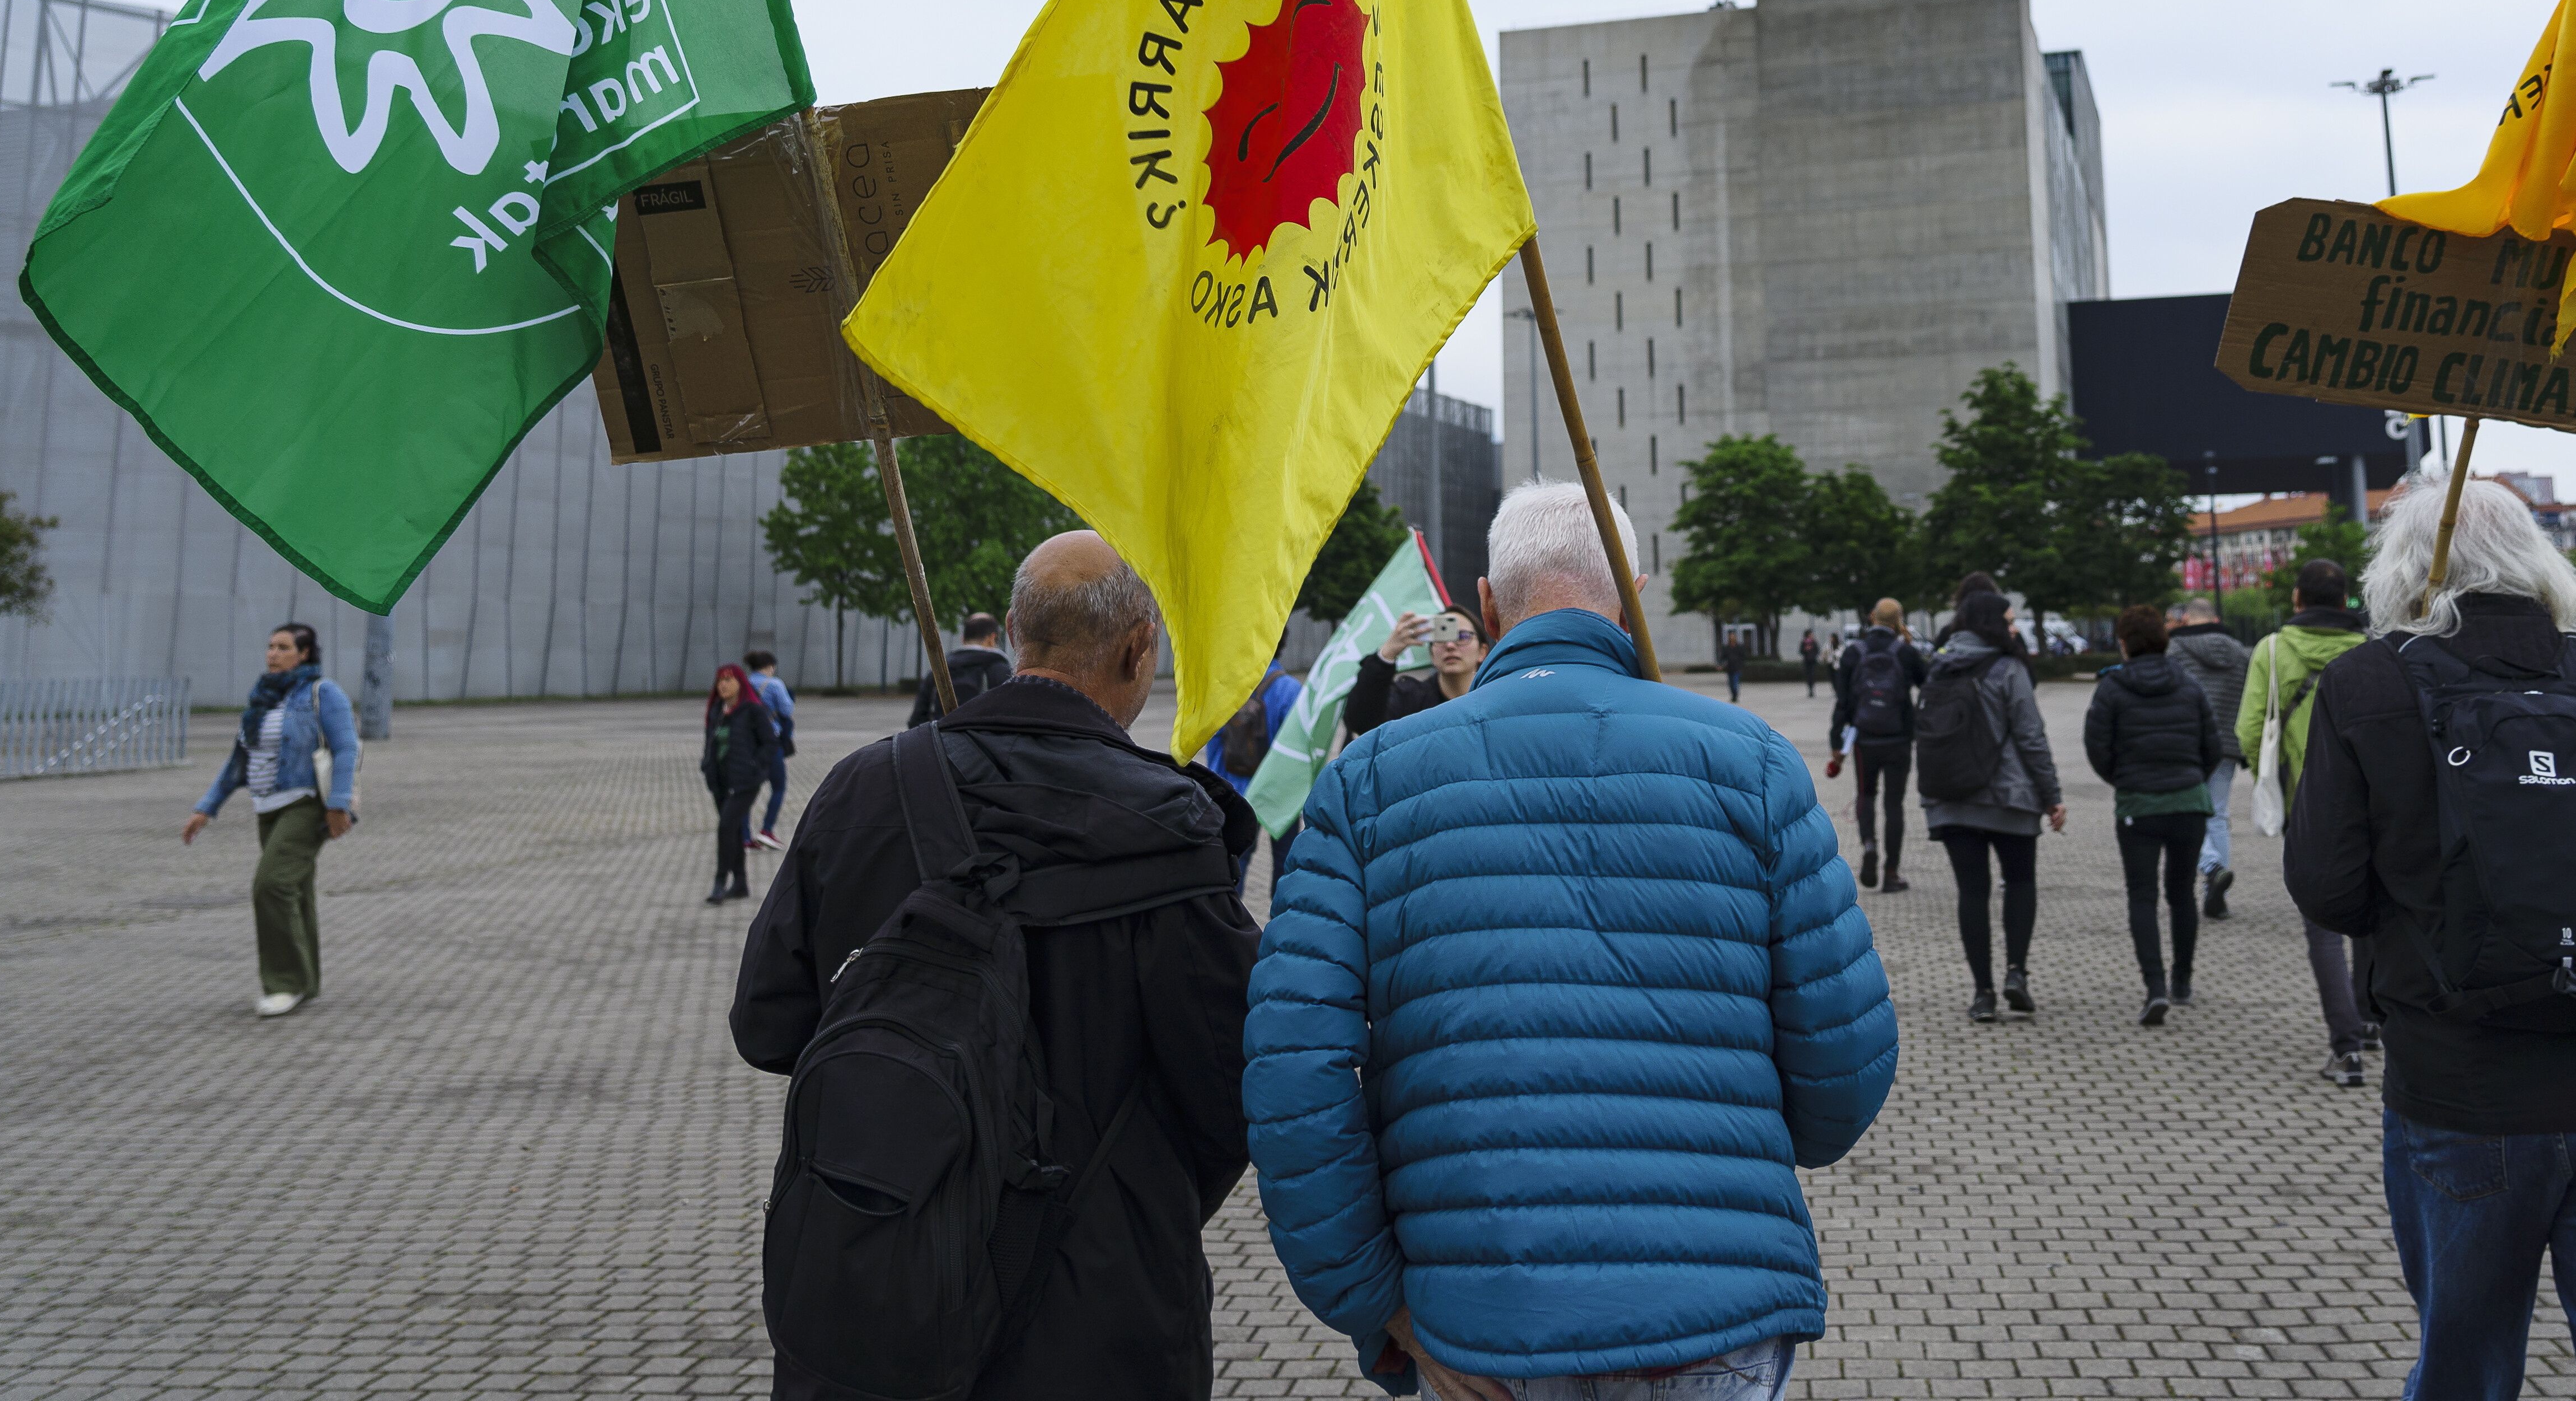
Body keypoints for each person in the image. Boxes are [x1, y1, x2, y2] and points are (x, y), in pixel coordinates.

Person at [1246, 481, 1895, 1401]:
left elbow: (1291, 1075)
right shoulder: (1752, 762)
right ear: (1632, 590)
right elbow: (1847, 1061)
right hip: (1713, 1307)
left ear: (1489, 601)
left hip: (1479, 1318)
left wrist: (1377, 1303)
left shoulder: (1369, 782)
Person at [735, 531, 1258, 1399]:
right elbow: (1238, 1077)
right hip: (1102, 1312)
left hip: (880, 1280)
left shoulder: (866, 787)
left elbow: (767, 1023)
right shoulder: (1170, 822)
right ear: (1140, 648)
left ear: (1016, 628)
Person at [2287, 478, 2576, 1401]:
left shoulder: (2366, 683)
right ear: (2537, 560)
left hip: (2460, 1089)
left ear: (2404, 569)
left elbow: (2331, 891)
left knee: (2466, 1370)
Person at [180, 622, 359, 1018]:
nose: (272, 654)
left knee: (271, 886)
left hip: (306, 803)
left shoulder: (322, 693)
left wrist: (338, 804)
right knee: (295, 890)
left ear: (305, 655)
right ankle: (306, 982)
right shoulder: (262, 699)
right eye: (270, 647)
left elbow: (347, 748)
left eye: (282, 647)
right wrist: (206, 808)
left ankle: (284, 984)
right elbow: (239, 762)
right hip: (267, 807)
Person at [2241, 559, 2376, 1084]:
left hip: (2308, 807)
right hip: (2372, 805)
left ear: (2297, 599)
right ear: (2345, 600)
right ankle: (2371, 1018)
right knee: (2374, 917)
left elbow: (2251, 728)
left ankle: (2346, 1049)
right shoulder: (2372, 650)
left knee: (2322, 928)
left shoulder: (2272, 651)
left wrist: (2270, 780)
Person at [1920, 581, 2064, 1024]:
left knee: (1972, 892)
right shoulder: (2008, 668)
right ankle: (2016, 973)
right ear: (1992, 622)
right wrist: (2052, 796)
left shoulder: (1938, 666)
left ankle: (1982, 993)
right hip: (2010, 798)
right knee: (2019, 883)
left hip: (1951, 798)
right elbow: (2031, 737)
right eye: (2008, 620)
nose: (2014, 627)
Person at [2082, 604, 2225, 1025]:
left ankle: (2155, 986)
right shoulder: (2189, 685)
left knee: (2142, 896)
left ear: (2124, 644)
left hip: (2138, 808)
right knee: (2181, 894)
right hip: (2189, 804)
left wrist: (2123, 779)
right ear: (2164, 640)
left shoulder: (2111, 689)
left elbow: (2096, 747)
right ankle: (2183, 980)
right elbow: (2213, 746)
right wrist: (2192, 777)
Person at [1830, 596, 1927, 893]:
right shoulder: (1907, 653)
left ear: (1872, 617)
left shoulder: (1853, 653)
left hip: (1864, 740)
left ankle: (1869, 845)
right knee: (1894, 803)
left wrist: (1837, 742)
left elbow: (1843, 701)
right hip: (1898, 738)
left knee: (1866, 795)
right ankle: (1892, 871)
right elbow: (1930, 685)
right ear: (1900, 621)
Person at [2165, 596, 2254, 918]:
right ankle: (2215, 897)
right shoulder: (2241, 652)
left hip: (2186, 744)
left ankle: (2211, 866)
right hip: (2227, 744)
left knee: (2180, 809)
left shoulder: (2173, 652)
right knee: (2217, 814)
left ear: (2185, 618)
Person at [1201, 658, 1307, 894]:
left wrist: (1219, 783)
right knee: (1286, 866)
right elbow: (1300, 747)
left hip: (1235, 793)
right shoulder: (1290, 689)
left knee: (1234, 866)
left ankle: (1230, 924)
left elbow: (1212, 738)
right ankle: (1281, 924)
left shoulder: (1226, 685)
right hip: (1281, 795)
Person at [1339, 606, 1482, 739]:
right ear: (1432, 654)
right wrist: (1386, 655)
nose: (1450, 645)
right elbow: (1361, 723)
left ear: (1483, 651)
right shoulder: (1409, 699)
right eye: (1441, 637)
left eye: (1463, 636)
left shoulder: (1496, 698)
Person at [699, 664, 777, 904]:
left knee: (726, 827)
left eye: (729, 680)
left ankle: (720, 882)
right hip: (720, 781)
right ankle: (741, 883)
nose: (723, 685)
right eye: (720, 680)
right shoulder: (717, 711)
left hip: (745, 782)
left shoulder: (753, 710)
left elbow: (770, 743)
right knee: (731, 829)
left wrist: (756, 767)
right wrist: (707, 764)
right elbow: (711, 742)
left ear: (740, 684)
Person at [905, 609, 1016, 726]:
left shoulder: (940, 669)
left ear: (963, 639)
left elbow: (917, 719)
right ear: (992, 638)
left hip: (941, 739)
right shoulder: (1002, 670)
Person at [743, 650, 796, 852]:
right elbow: (787, 710)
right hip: (771, 742)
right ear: (769, 666)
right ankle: (766, 830)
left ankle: (745, 837)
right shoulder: (774, 684)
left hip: (748, 743)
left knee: (747, 790)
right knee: (779, 786)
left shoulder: (745, 684)